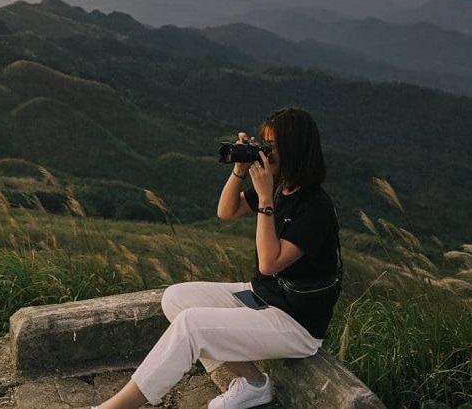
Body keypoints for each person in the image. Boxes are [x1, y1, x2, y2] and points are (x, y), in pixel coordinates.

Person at [93, 107, 342, 409]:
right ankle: (253, 384)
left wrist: (264, 199)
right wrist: (239, 170)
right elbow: (226, 211)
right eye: (263, 144)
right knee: (175, 298)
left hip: (296, 323)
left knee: (192, 325)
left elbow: (269, 263)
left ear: (295, 148)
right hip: (262, 296)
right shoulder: (280, 186)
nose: (265, 152)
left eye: (271, 146)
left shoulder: (315, 208)